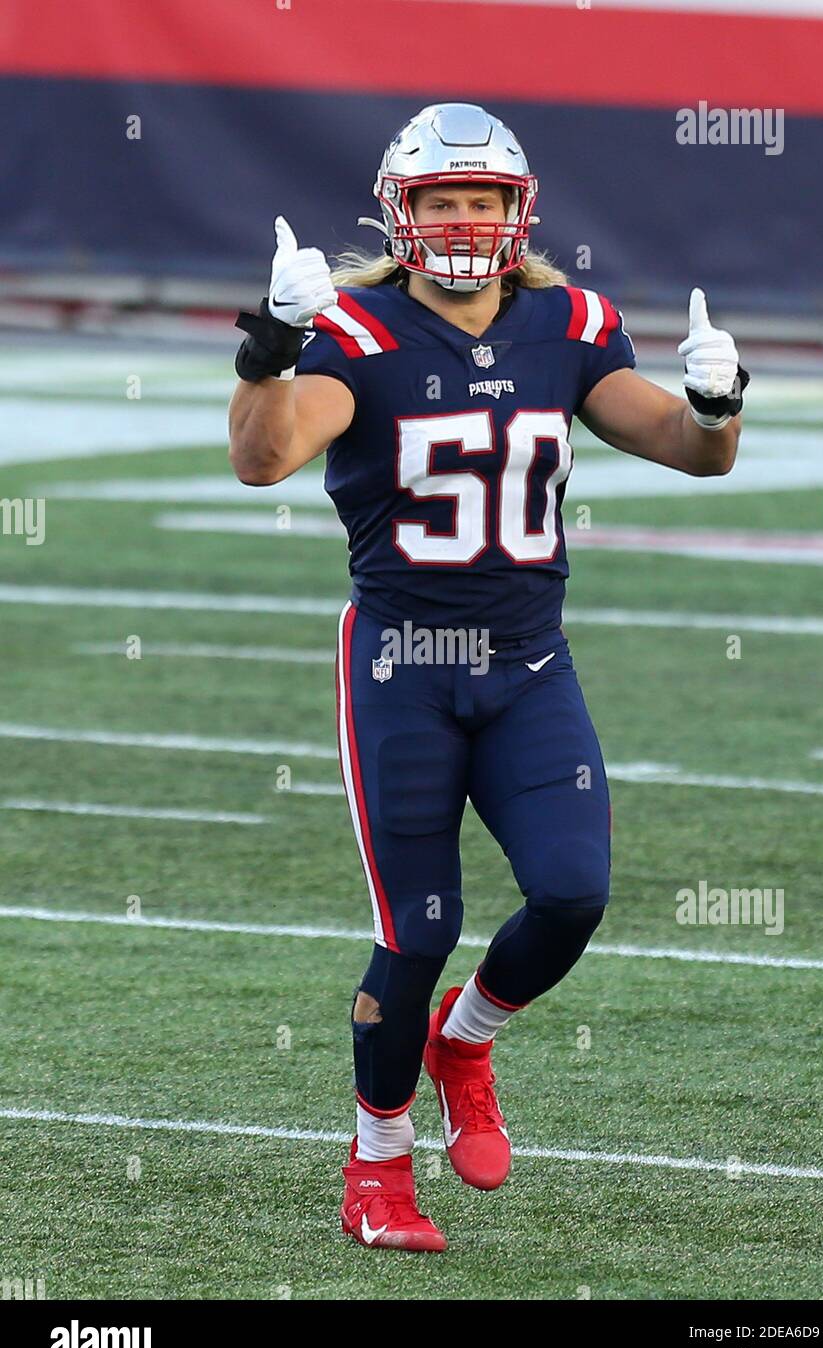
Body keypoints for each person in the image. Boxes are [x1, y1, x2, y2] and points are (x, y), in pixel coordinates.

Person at [228, 102, 748, 1252]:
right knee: (416, 929)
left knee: (572, 893)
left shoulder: (571, 324)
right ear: (398, 213)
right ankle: (375, 1173)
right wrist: (266, 346)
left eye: (484, 200)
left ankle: (467, 1037)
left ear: (522, 212)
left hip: (527, 666)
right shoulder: (355, 332)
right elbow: (263, 458)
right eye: (441, 200)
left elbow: (688, 449)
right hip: (403, 672)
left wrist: (720, 402)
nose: (464, 221)